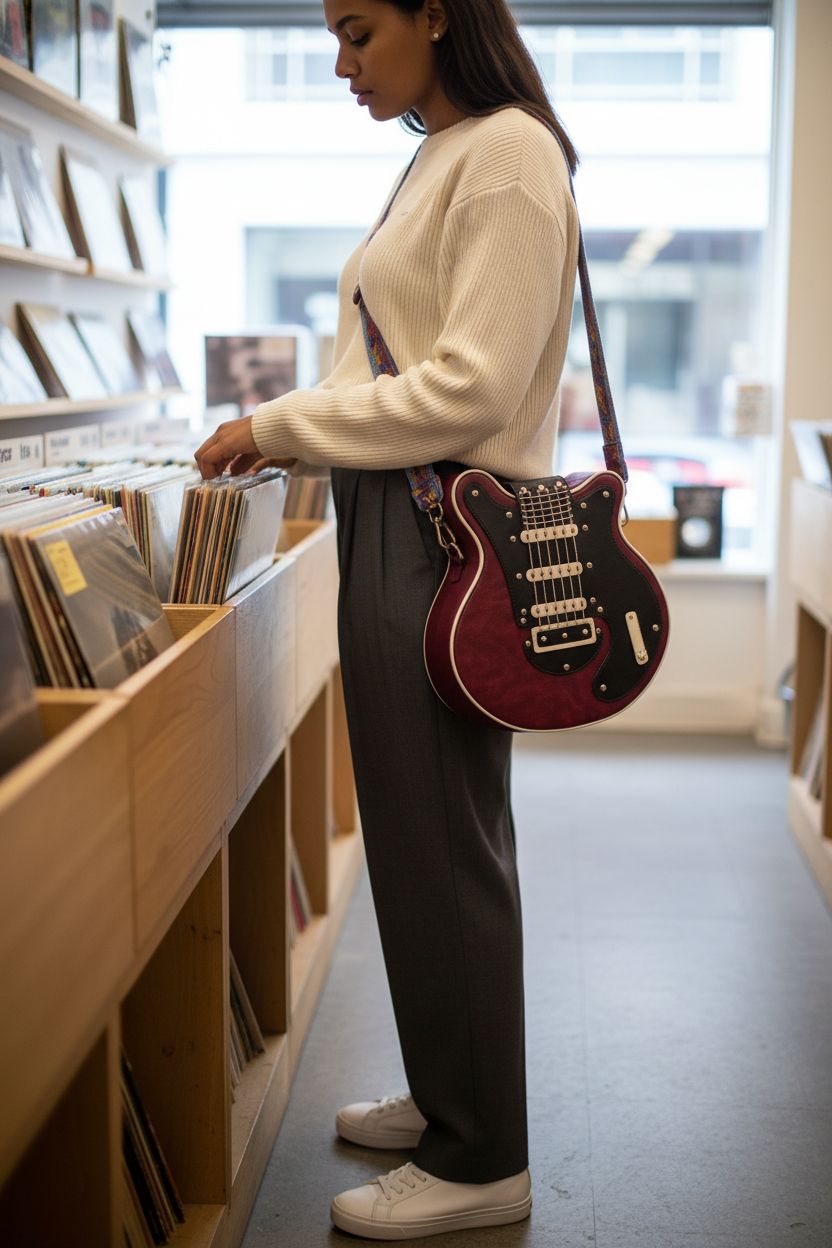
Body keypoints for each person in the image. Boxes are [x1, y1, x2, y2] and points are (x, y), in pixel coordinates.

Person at [194, 0, 579, 1238]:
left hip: (442, 537)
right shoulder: (443, 152)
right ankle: (451, 1095)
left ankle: (483, 1163)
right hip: (400, 525)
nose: (340, 64)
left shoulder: (508, 153)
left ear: (437, 14)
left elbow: (470, 386)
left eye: (360, 32)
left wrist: (277, 426)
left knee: (445, 837)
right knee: (423, 835)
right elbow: (388, 372)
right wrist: (295, 430)